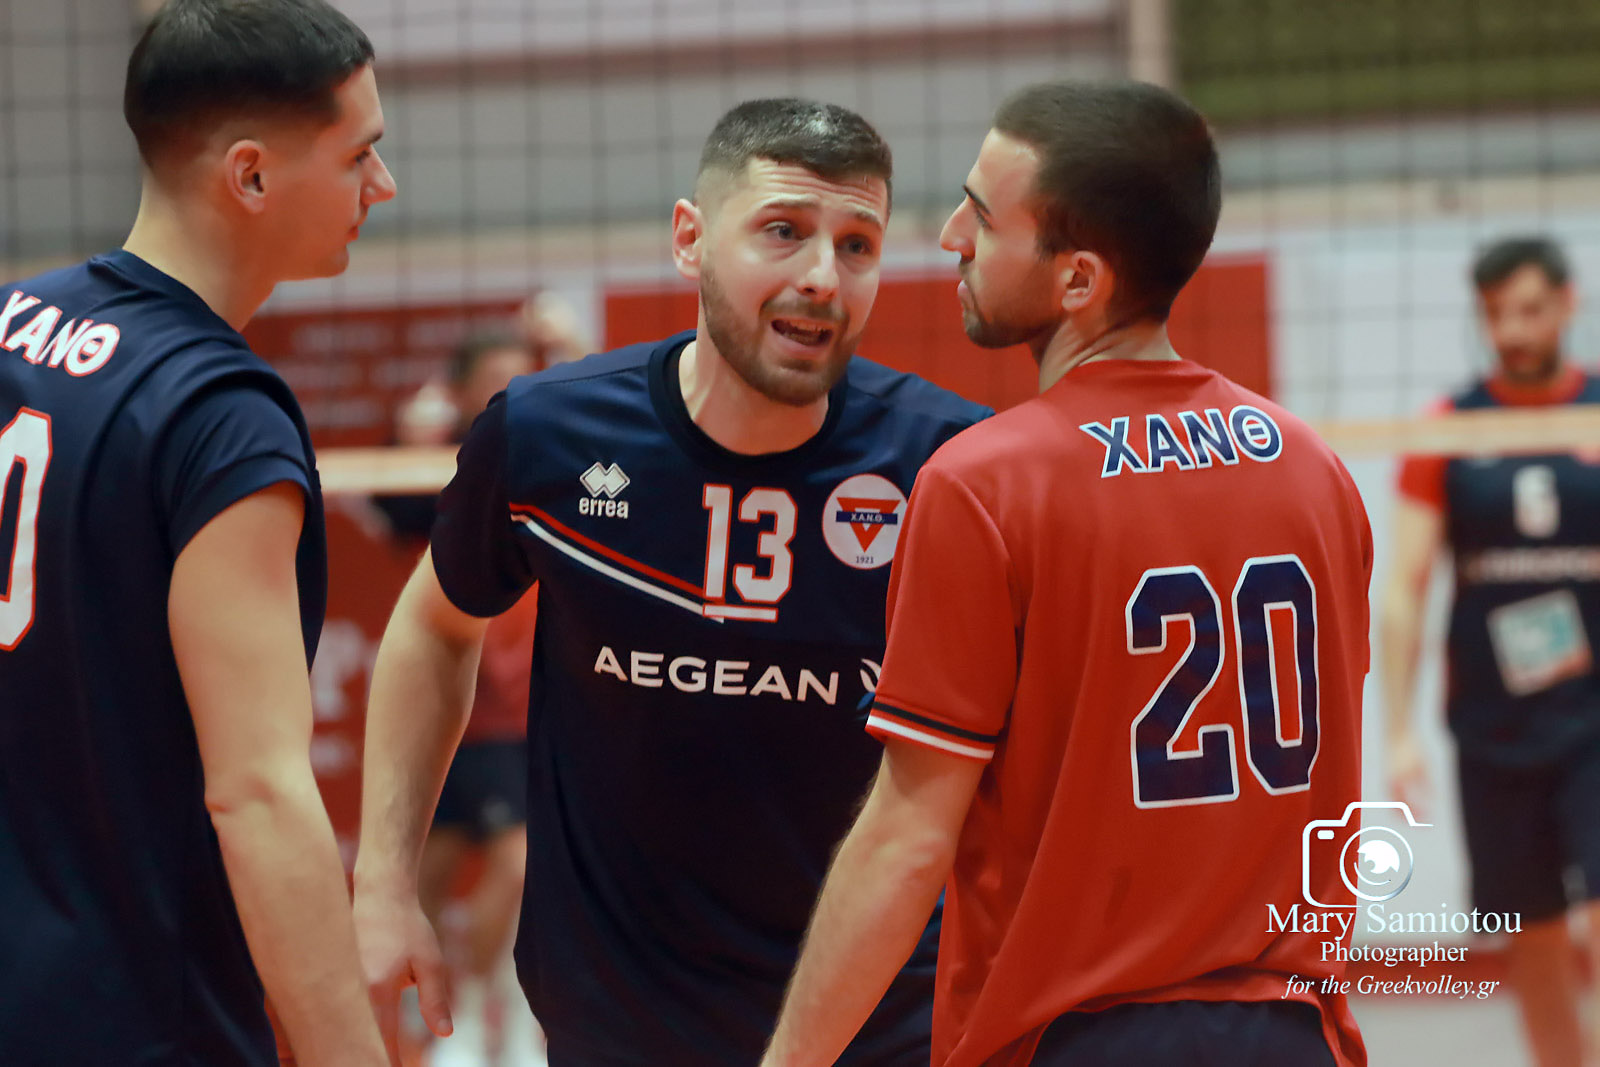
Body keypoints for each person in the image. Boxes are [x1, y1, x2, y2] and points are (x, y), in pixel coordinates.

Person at [352, 97, 991, 1067]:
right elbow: (437, 625)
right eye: (783, 231)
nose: (823, 276)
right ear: (690, 240)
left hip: (880, 1027)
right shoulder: (547, 434)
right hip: (620, 1025)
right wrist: (382, 884)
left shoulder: (948, 463)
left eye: (856, 244)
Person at [762, 80, 1372, 1067]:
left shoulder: (984, 482)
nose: (952, 235)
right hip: (1294, 1035)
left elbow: (907, 838)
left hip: (1076, 1036)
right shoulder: (1313, 468)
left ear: (1077, 279)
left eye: (983, 216)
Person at [0, 1, 397, 1065]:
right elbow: (258, 792)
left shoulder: (10, 322)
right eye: (359, 154)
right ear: (251, 176)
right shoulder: (218, 414)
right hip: (135, 1018)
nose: (384, 184)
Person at [1384, 237, 1600, 1067]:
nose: (1513, 330)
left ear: (1568, 304)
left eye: (1530, 310)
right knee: (1531, 934)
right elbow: (1405, 586)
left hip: (1594, 720)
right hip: (1493, 728)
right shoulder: (1450, 425)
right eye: (1496, 313)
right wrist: (1397, 730)